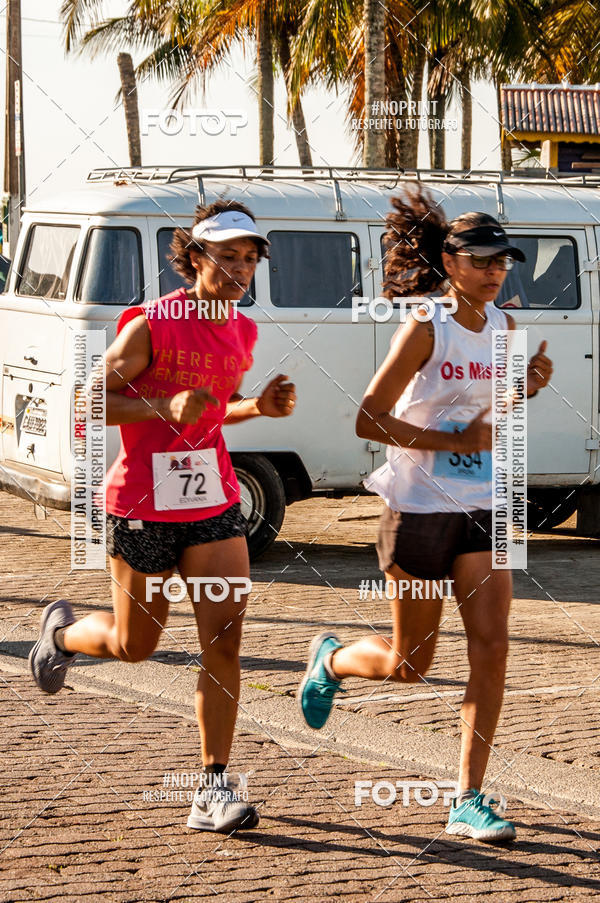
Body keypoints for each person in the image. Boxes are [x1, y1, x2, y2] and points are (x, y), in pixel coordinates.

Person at [30, 200, 296, 833]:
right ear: (195, 258)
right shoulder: (152, 323)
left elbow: (212, 410)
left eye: (248, 258)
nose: (238, 269)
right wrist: (161, 403)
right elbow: (89, 401)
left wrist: (255, 407)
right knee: (135, 644)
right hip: (142, 506)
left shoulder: (242, 330)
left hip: (215, 504)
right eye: (225, 256)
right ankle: (63, 635)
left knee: (223, 641)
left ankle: (212, 785)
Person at [298, 185, 552, 842]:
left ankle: (469, 795)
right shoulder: (425, 325)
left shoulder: (505, 327)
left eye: (503, 262)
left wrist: (521, 391)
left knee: (492, 646)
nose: (496, 272)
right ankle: (332, 660)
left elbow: (486, 417)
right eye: (483, 260)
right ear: (451, 259)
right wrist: (450, 443)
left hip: (483, 504)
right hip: (416, 507)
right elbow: (369, 416)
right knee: (410, 661)